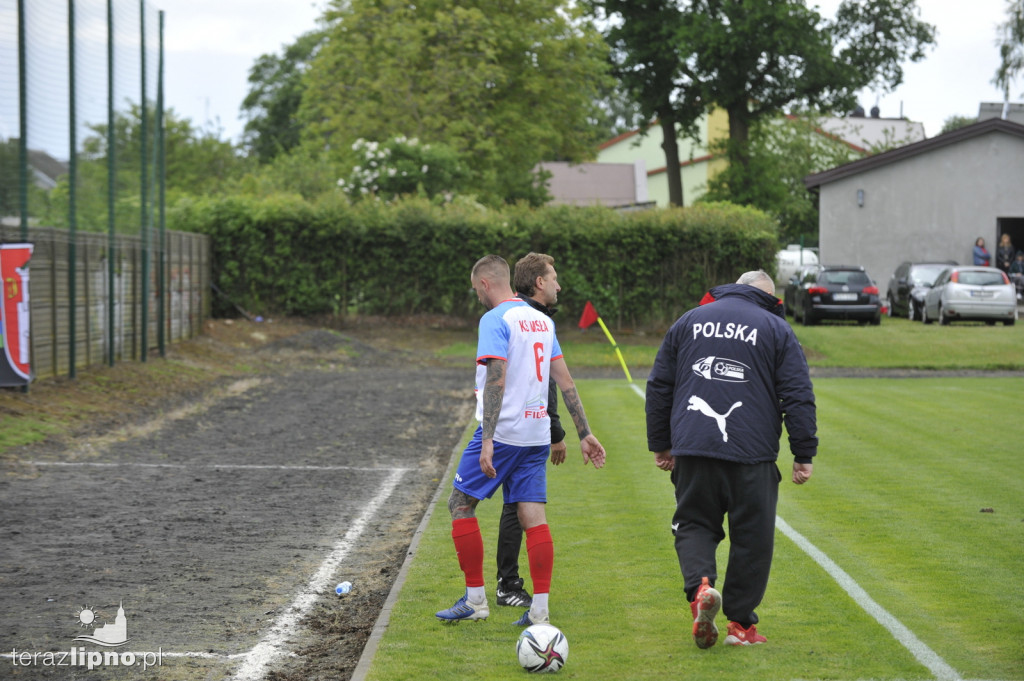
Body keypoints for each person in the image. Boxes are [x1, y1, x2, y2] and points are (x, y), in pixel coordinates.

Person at [645, 270, 817, 649]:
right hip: (751, 453)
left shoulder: (689, 320)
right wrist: (803, 452)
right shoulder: (774, 327)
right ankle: (740, 625)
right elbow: (797, 392)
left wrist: (661, 443)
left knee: (693, 523)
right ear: (768, 298)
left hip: (693, 446)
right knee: (752, 538)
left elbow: (660, 384)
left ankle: (700, 589)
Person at [436, 254, 606, 627]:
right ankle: (539, 611)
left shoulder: (494, 319)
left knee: (460, 504)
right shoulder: (542, 321)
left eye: (475, 290)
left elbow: (497, 375)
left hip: (506, 433)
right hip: (537, 435)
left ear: (484, 284)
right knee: (534, 518)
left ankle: (476, 600)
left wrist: (488, 439)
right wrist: (585, 433)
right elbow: (565, 382)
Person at [494, 252, 567, 609]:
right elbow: (545, 383)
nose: (558, 284)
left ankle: (506, 583)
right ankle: (506, 584)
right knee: (515, 506)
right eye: (553, 278)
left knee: (515, 505)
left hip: (519, 426)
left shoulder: (529, 317)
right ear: (539, 283)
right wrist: (555, 431)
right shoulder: (532, 320)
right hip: (519, 429)